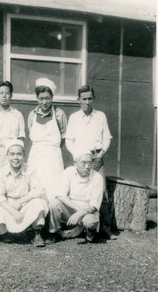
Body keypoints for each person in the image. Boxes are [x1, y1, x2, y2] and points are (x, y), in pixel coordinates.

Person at [65, 84, 116, 239]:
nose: (87, 102)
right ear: (78, 100)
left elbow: (106, 138)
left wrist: (100, 155)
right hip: (80, 159)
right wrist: (77, 156)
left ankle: (106, 229)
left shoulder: (100, 116)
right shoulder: (74, 118)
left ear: (93, 99)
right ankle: (82, 224)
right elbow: (69, 140)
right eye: (84, 99)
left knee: (102, 193)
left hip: (96, 158)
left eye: (89, 99)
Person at [0, 140, 48, 247]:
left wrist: (21, 201)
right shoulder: (1, 173)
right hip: (8, 206)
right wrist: (13, 212)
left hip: (24, 204)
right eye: (12, 154)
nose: (15, 158)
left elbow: (39, 190)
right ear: (6, 156)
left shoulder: (30, 170)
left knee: (39, 202)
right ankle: (5, 234)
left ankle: (37, 234)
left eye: (19, 154)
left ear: (24, 155)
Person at [49, 149, 104, 243]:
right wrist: (78, 209)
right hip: (71, 208)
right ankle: (54, 233)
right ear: (75, 163)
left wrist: (79, 213)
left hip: (87, 211)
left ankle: (89, 232)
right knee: (54, 203)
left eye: (90, 163)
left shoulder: (97, 177)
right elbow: (61, 195)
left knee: (90, 222)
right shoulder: (68, 172)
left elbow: (94, 205)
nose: (87, 166)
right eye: (83, 163)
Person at [27, 78, 67, 201]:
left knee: (53, 186)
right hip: (36, 155)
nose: (44, 102)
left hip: (53, 157)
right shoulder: (32, 114)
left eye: (47, 98)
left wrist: (51, 149)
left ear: (52, 98)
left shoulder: (59, 114)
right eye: (41, 98)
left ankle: (52, 218)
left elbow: (63, 137)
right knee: (35, 185)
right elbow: (31, 134)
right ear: (37, 98)